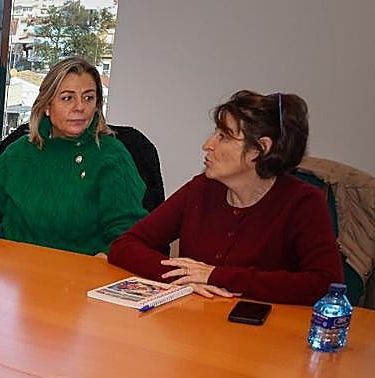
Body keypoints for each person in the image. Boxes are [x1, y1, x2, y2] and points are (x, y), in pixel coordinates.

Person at [109, 91, 342, 304]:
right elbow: (124, 246)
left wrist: (216, 276)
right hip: (195, 326)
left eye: (223, 136)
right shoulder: (202, 188)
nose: (207, 145)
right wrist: (184, 277)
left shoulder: (304, 202)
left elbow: (324, 284)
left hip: (264, 337)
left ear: (260, 149)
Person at [0, 56, 145, 256]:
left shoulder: (111, 155)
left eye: (88, 97)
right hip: (13, 276)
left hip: (79, 277)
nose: (80, 107)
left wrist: (106, 258)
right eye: (68, 98)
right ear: (47, 105)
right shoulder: (19, 151)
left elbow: (128, 232)